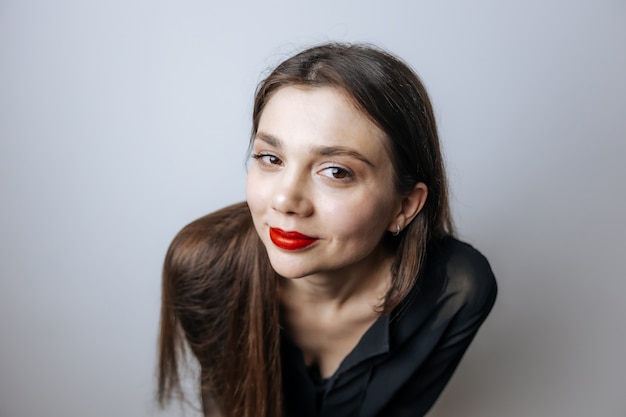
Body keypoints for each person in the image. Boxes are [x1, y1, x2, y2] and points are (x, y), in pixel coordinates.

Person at [158, 42, 497, 417]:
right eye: (270, 158)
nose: (286, 200)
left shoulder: (456, 289)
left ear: (404, 206)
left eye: (336, 171)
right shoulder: (204, 268)